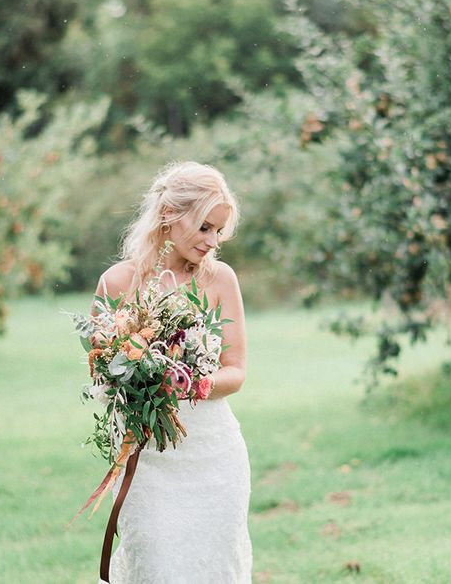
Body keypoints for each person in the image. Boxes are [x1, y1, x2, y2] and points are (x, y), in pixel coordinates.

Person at [95, 161, 252, 584]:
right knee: (157, 567)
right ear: (169, 215)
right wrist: (137, 373)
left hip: (214, 457)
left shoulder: (221, 280)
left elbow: (235, 371)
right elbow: (102, 371)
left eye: (218, 231)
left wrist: (192, 384)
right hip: (149, 460)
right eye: (204, 228)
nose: (212, 241)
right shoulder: (116, 283)